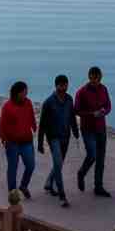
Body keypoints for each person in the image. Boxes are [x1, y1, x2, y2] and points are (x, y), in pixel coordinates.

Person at [37, 74, 80, 207]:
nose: (63, 87)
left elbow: (72, 117)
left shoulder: (69, 99)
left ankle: (49, 183)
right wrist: (40, 143)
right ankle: (62, 195)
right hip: (53, 137)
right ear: (56, 86)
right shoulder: (48, 102)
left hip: (65, 137)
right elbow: (42, 124)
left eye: (65, 84)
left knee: (59, 164)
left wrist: (75, 131)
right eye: (61, 85)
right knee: (58, 162)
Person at [74, 66, 112, 197]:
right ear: (89, 77)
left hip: (101, 128)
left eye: (98, 78)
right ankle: (81, 173)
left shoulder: (104, 89)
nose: (96, 80)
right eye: (93, 78)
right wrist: (91, 114)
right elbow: (77, 110)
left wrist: (103, 112)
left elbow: (108, 106)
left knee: (101, 158)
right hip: (88, 128)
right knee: (92, 155)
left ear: (100, 77)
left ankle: (98, 186)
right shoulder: (82, 92)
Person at [0, 80, 37, 199]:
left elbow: (31, 116)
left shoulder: (28, 103)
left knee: (31, 165)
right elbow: (2, 125)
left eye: (27, 92)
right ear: (17, 93)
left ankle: (24, 185)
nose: (26, 95)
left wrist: (34, 127)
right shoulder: (7, 107)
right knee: (12, 168)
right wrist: (4, 139)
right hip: (12, 143)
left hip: (27, 141)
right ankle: (13, 193)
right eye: (24, 92)